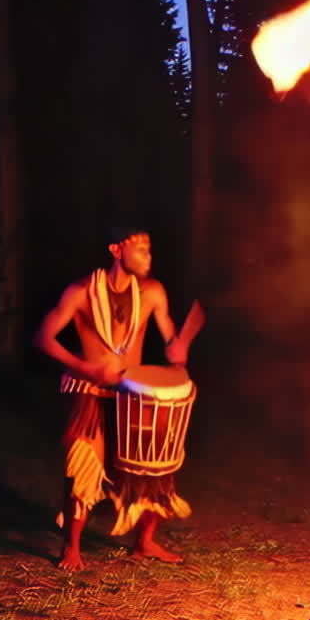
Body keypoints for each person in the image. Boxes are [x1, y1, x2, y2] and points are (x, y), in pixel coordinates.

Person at [35, 225, 198, 570]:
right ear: (115, 250)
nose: (148, 257)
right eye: (140, 249)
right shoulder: (81, 291)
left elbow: (170, 338)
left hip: (132, 393)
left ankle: (145, 543)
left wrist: (177, 348)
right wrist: (83, 367)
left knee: (154, 467)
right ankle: (72, 548)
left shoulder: (153, 292)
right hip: (90, 390)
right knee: (82, 466)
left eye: (149, 250)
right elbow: (44, 338)